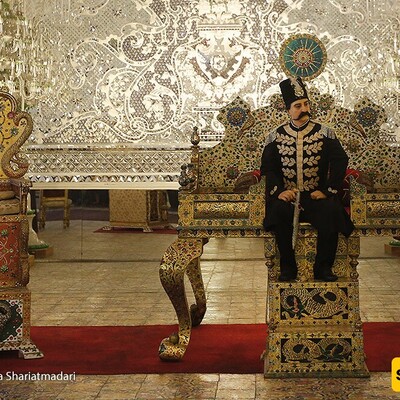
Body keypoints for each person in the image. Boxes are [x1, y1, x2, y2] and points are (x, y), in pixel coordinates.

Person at [260, 76, 354, 282]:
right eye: (297, 105)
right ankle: (287, 268)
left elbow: (340, 160)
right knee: (277, 213)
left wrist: (329, 190)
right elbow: (268, 168)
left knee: (331, 212)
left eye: (306, 104)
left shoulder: (325, 133)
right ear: (288, 110)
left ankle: (323, 268)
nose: (303, 109)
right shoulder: (275, 136)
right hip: (288, 197)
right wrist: (278, 191)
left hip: (315, 195)